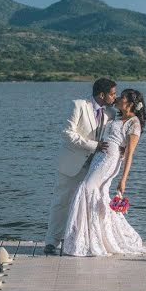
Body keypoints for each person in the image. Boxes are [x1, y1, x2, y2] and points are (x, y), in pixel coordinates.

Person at [61, 89, 146, 257]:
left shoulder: (134, 123)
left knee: (87, 188)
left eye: (122, 97)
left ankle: (89, 238)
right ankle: (94, 238)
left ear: (130, 103)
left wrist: (123, 180)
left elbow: (130, 154)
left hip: (109, 162)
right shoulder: (116, 117)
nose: (118, 98)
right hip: (99, 158)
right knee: (97, 193)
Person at [43, 78, 118, 255]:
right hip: (72, 164)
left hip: (95, 168)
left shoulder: (111, 113)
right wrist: (94, 145)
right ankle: (51, 242)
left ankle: (80, 242)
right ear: (102, 94)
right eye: (112, 93)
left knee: (87, 205)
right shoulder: (78, 105)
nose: (115, 97)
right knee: (62, 202)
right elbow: (67, 133)